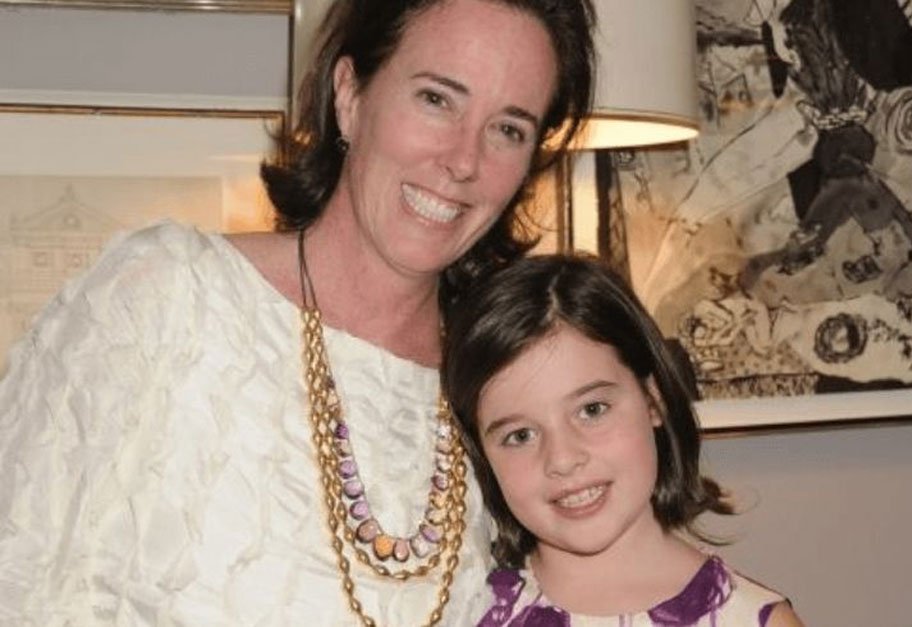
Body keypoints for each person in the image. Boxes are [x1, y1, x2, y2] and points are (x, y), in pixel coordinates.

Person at [0, 0, 597, 624]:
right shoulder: (167, 298)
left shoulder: (503, 384)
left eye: (508, 129)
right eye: (436, 99)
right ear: (350, 95)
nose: (464, 160)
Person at [443, 255, 804, 626]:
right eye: (520, 435)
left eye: (592, 410)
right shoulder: (457, 610)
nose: (562, 458)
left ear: (653, 399)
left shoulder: (757, 621)